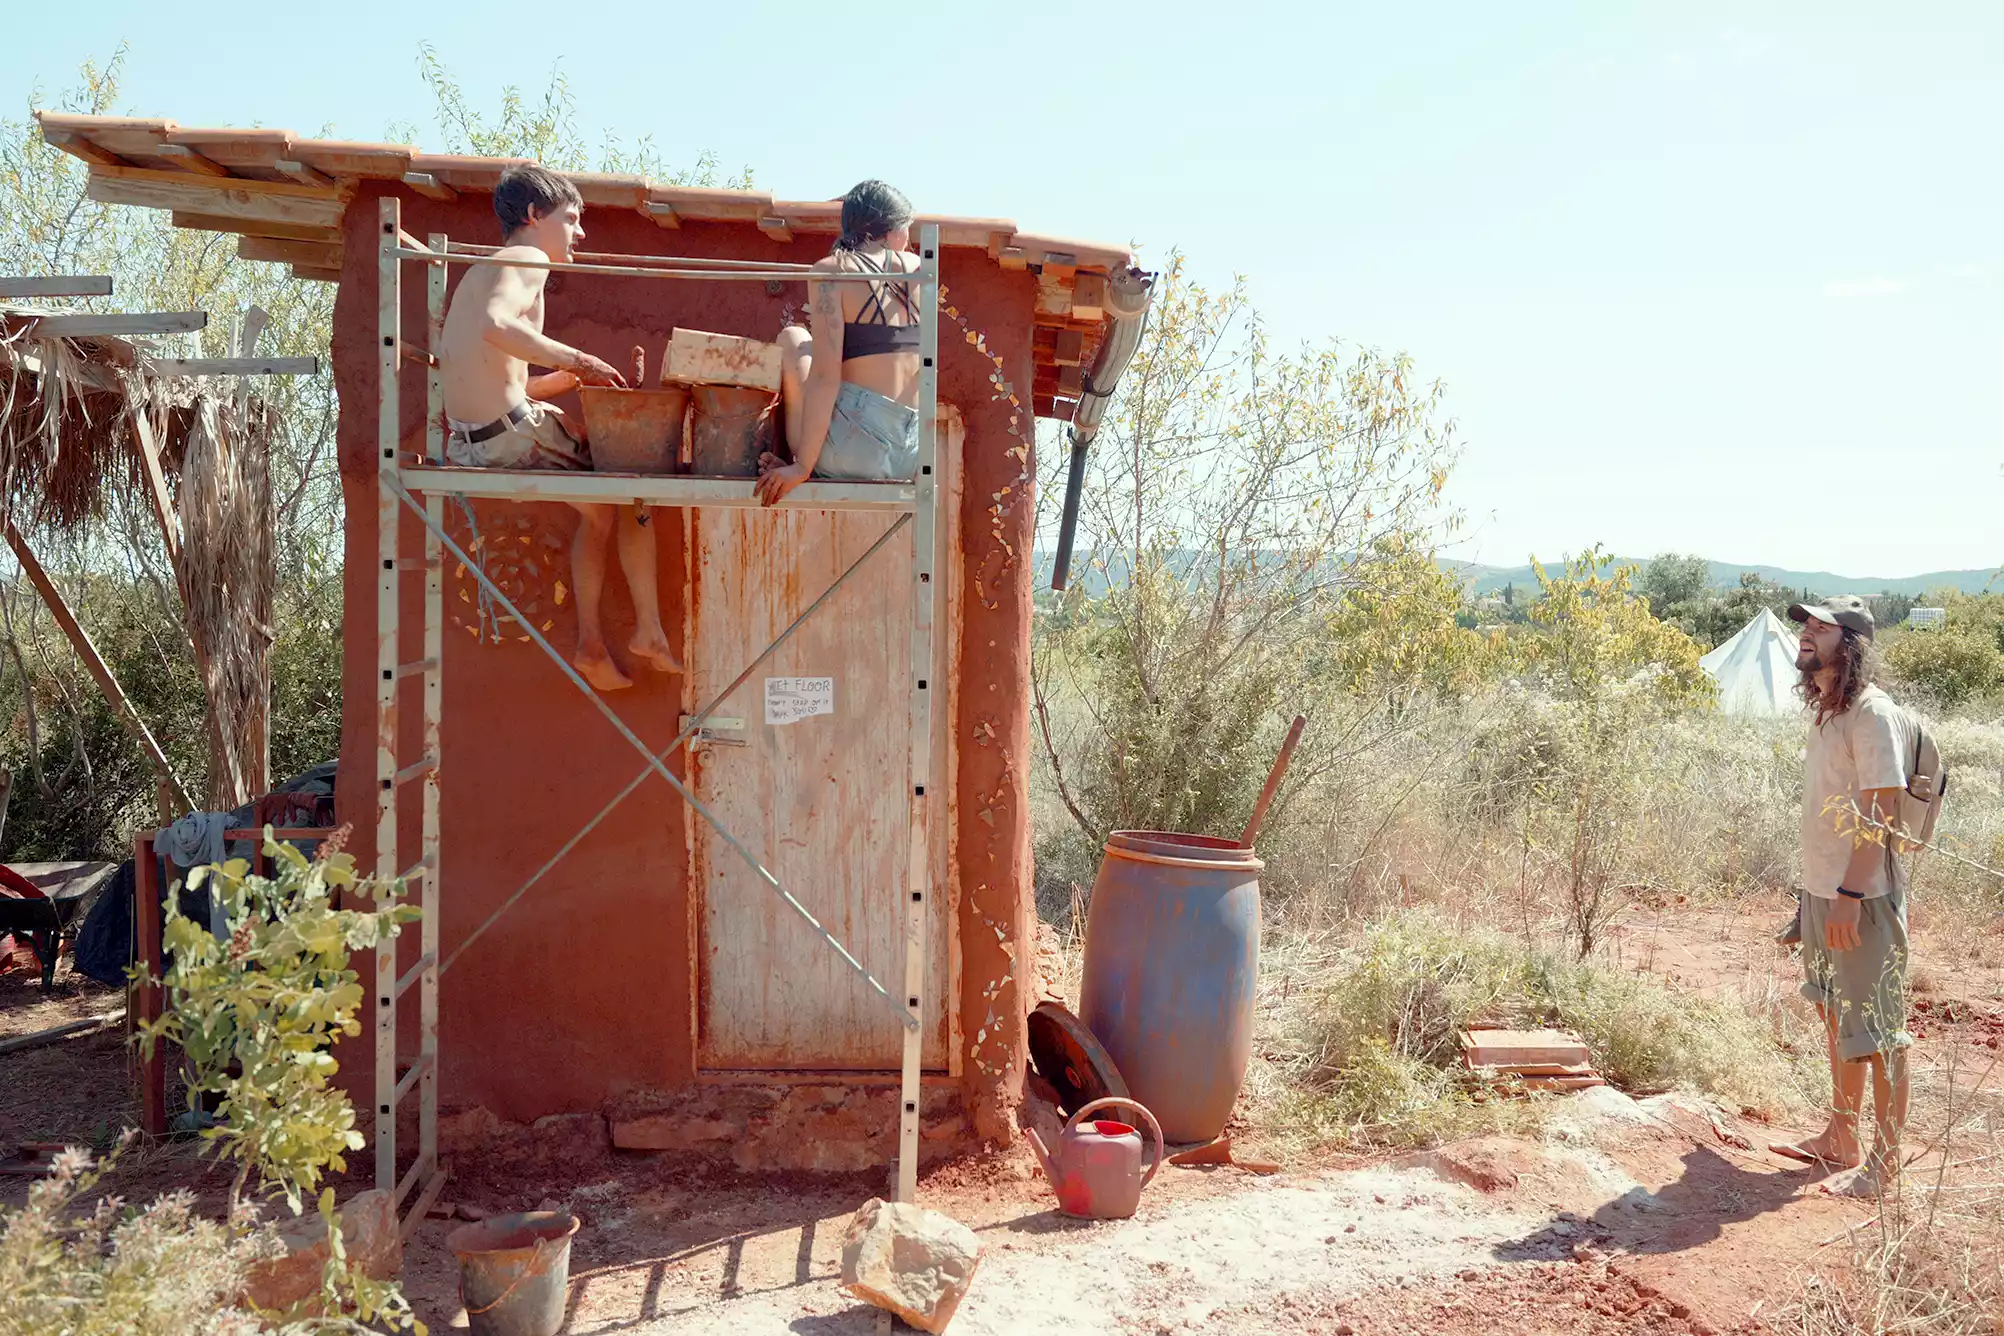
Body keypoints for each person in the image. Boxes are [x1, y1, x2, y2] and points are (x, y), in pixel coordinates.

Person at [439, 163, 680, 691]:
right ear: (533, 215)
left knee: (599, 512)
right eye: (571, 219)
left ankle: (594, 646)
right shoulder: (526, 258)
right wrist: (582, 359)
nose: (581, 232)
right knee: (633, 485)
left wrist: (575, 378)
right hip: (509, 434)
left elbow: (510, 380)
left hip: (478, 440)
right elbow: (495, 326)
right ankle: (648, 631)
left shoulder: (486, 270)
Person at [1768, 595, 1916, 1198]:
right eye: (1805, 623)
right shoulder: (1830, 711)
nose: (1806, 632)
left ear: (1849, 644)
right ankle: (1841, 1137)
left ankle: (1885, 1166)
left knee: (1879, 1030)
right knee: (1835, 1012)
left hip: (1863, 896)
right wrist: (1815, 900)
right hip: (1826, 892)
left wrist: (1850, 895)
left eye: (1821, 627)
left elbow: (1881, 811)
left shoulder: (1871, 714)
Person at [755, 180, 922, 506]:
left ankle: (802, 459)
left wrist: (802, 468)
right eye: (906, 230)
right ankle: (811, 457)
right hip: (909, 458)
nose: (909, 240)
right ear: (889, 230)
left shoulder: (832, 272)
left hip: (853, 455)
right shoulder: (921, 270)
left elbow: (824, 378)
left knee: (794, 339)